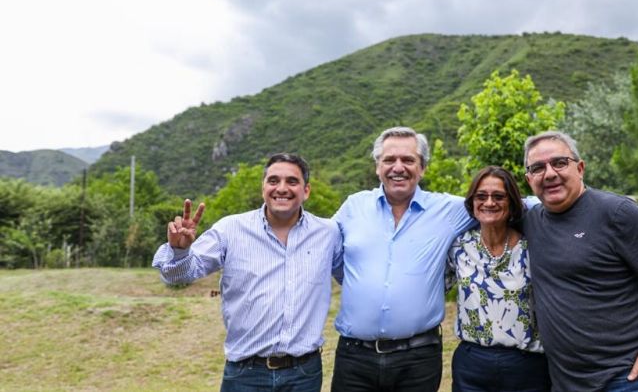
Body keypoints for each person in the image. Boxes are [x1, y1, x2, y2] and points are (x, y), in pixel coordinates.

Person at [152, 153, 342, 392]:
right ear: (263, 187)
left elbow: (353, 276)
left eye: (292, 181)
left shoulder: (328, 233)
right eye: (273, 180)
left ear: (306, 190)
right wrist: (179, 250)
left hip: (303, 374)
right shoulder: (230, 229)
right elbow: (176, 276)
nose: (281, 188)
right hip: (245, 374)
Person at [521, 131, 638, 392]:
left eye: (559, 162)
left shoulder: (617, 212)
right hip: (566, 382)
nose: (550, 173)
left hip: (626, 377)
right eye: (538, 168)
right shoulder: (530, 220)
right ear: (529, 179)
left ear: (580, 168)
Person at [330, 127, 475, 392]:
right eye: (389, 160)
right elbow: (321, 247)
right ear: (377, 167)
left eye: (408, 160)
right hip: (354, 358)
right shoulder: (353, 207)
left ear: (423, 168)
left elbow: (509, 204)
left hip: (418, 359)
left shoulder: (450, 210)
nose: (398, 167)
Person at [447, 166, 550, 392]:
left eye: (499, 196)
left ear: (512, 203)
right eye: (481, 196)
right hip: (472, 363)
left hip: (526, 364)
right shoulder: (459, 246)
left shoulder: (532, 246)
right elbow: (429, 286)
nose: (489, 202)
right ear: (472, 203)